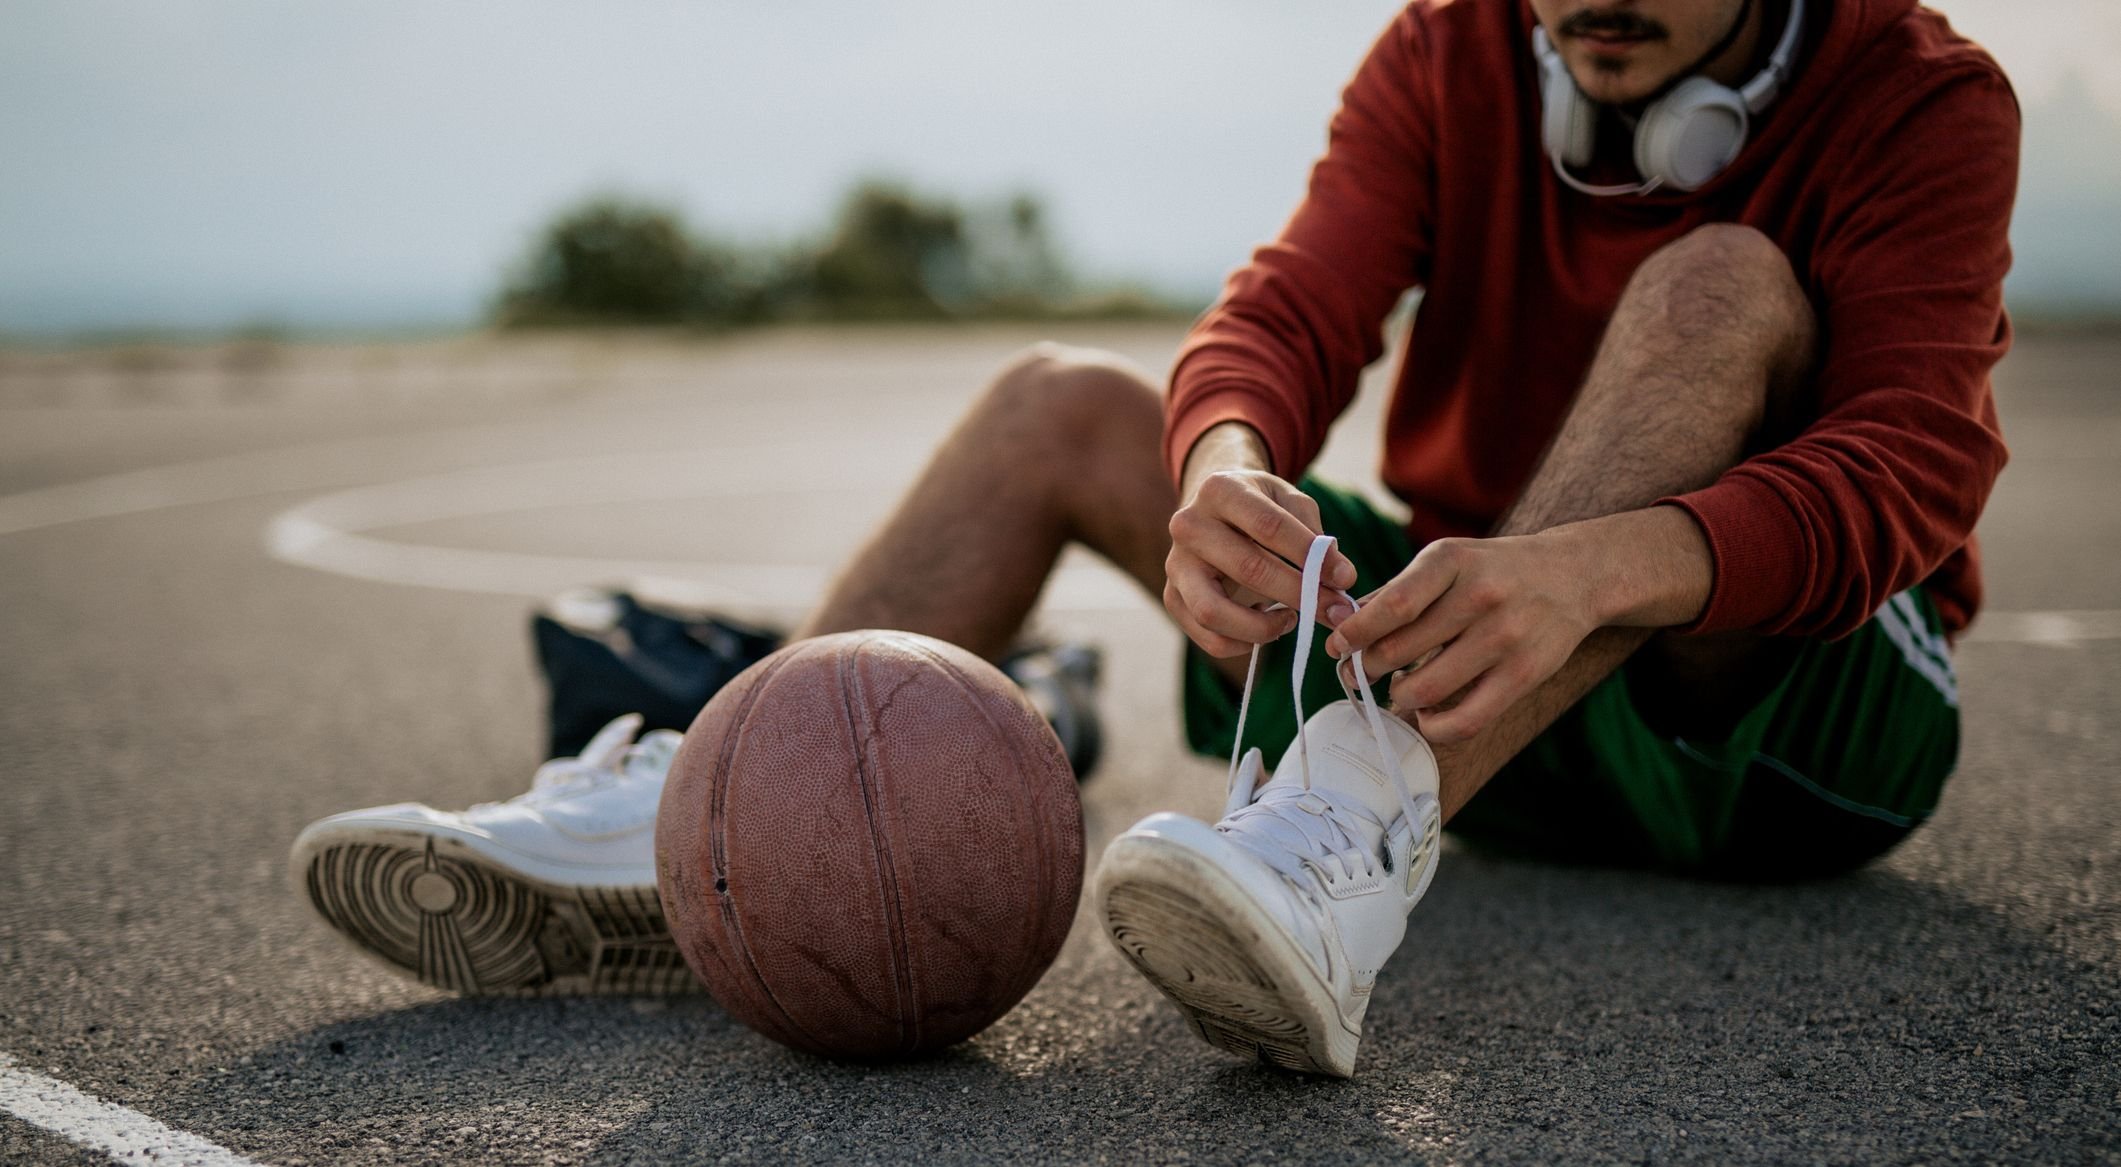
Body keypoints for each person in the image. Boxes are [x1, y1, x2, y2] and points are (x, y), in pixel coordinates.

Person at [293, 0, 2017, 1077]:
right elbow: (1290, 305)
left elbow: (1909, 472)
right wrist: (1223, 465)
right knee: (1066, 401)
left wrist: (1586, 566)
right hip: (1479, 655)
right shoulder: (1449, 50)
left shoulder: (1921, 96)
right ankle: (710, 818)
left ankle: (1343, 826)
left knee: (1718, 278)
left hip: (1783, 712)